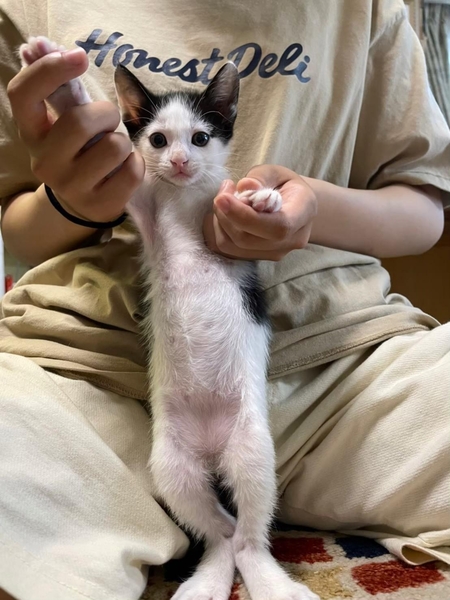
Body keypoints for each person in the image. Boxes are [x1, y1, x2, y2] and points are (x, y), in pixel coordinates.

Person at [0, 1, 449, 599]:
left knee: (250, 445)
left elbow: (425, 205)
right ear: (137, 129)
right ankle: (219, 543)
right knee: (163, 467)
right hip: (89, 373)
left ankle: (253, 551)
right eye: (157, 140)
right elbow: (93, 183)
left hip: (349, 368)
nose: (179, 157)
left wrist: (302, 205)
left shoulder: (364, 14)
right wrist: (71, 102)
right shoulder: (149, 201)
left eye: (198, 139)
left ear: (222, 128)